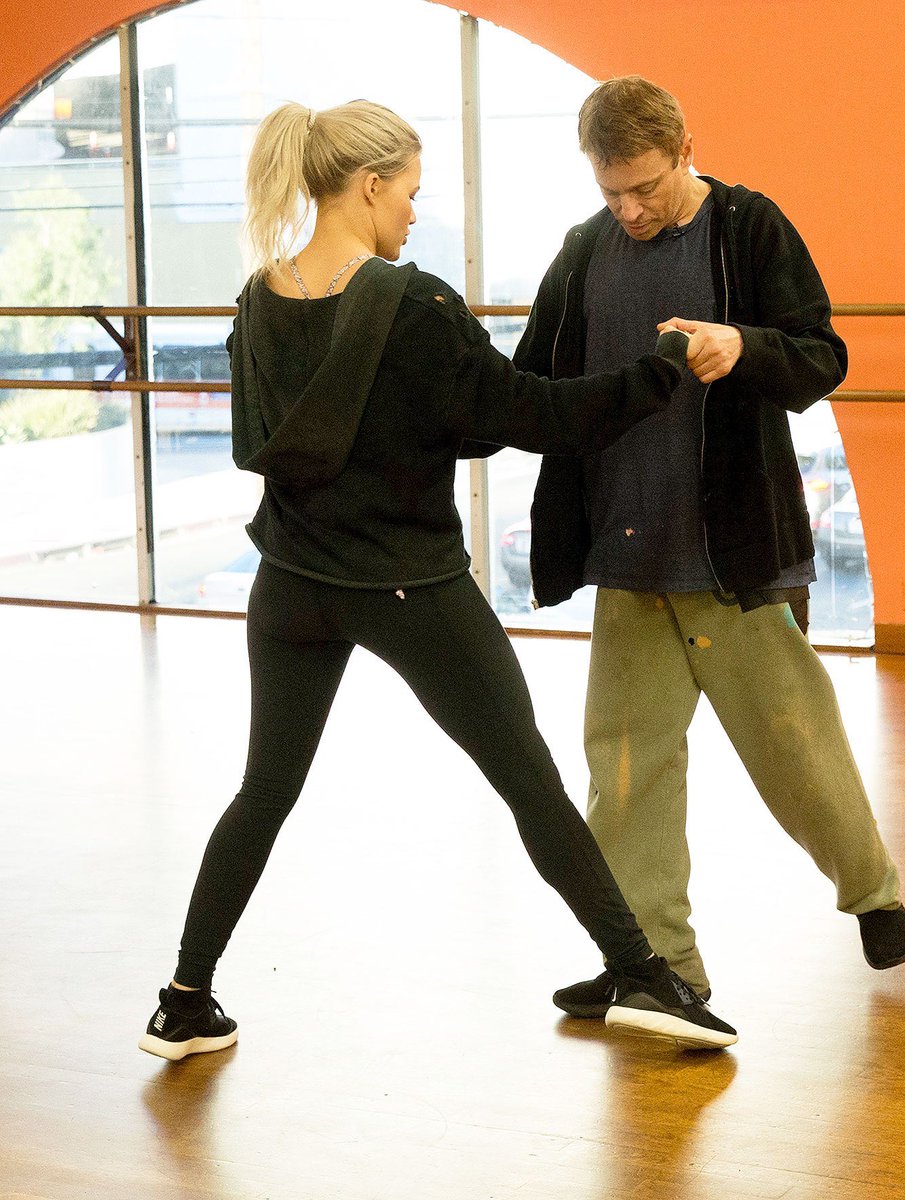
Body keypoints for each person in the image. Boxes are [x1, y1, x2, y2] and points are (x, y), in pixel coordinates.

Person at [138, 98, 739, 1062]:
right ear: (370, 185)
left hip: (289, 585)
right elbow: (538, 417)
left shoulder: (257, 300)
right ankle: (639, 972)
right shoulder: (414, 302)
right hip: (409, 583)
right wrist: (666, 366)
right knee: (530, 780)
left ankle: (184, 998)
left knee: (262, 790)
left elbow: (263, 444)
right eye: (411, 192)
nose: (415, 213)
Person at [510, 76, 905, 1018]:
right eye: (612, 191)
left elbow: (821, 355)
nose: (631, 208)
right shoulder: (582, 253)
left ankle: (874, 895)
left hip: (729, 555)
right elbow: (532, 382)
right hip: (625, 560)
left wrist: (745, 346)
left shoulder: (749, 228)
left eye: (645, 186)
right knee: (622, 774)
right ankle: (661, 967)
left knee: (794, 743)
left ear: (686, 146)